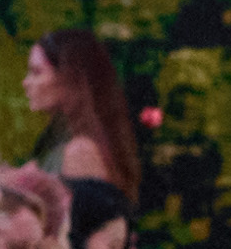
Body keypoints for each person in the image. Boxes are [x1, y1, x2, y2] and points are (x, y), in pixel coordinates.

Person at [22, 30, 142, 200]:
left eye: (37, 72)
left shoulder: (80, 152)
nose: (26, 82)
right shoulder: (58, 140)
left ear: (70, 79)